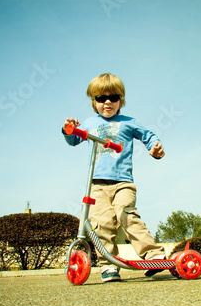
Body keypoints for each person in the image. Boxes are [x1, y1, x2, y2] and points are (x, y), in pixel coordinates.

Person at [62, 73, 166, 282]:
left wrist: (154, 148)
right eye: (101, 98)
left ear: (121, 100)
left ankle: (153, 254)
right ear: (94, 102)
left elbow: (148, 136)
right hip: (97, 184)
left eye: (113, 97)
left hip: (123, 183)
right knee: (102, 223)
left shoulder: (129, 122)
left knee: (126, 214)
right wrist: (68, 129)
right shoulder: (90, 123)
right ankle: (109, 265)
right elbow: (73, 140)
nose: (107, 102)